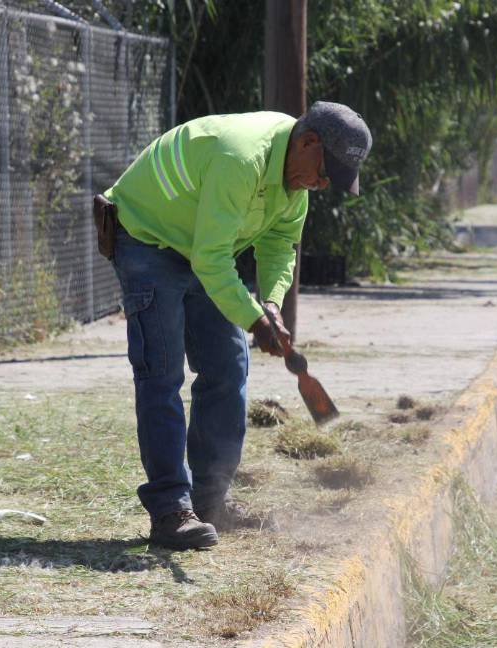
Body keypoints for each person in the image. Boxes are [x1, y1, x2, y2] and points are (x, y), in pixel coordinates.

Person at [101, 103, 372, 550]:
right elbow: (211, 258)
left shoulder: (293, 183)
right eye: (325, 173)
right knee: (162, 375)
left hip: (200, 247)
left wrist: (270, 305)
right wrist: (253, 321)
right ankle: (171, 510)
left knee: (229, 366)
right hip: (147, 239)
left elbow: (281, 244)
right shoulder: (241, 158)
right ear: (308, 143)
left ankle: (209, 503)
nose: (323, 185)